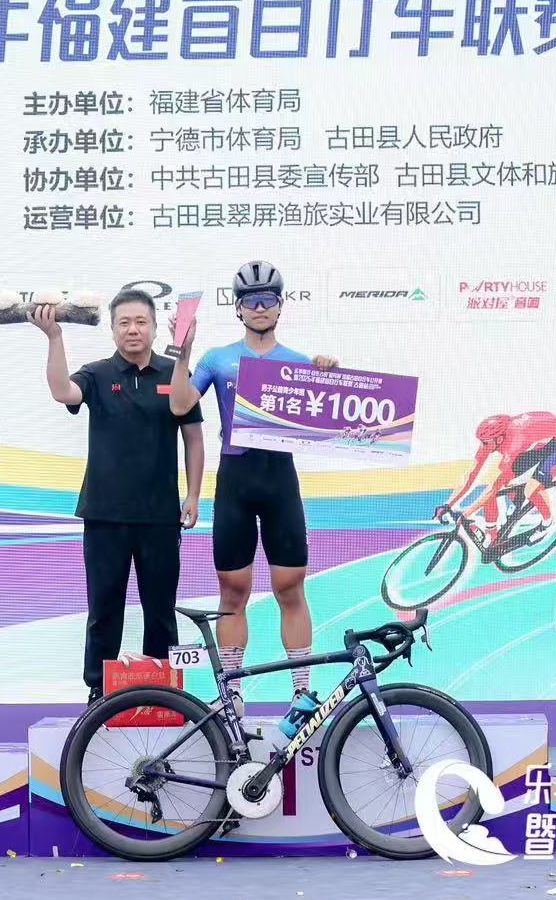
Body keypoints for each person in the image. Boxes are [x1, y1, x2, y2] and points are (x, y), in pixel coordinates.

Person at [170, 261, 338, 714]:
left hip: (280, 479)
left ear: (280, 306)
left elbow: (337, 416)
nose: (259, 307)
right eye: (250, 300)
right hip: (235, 481)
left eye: (268, 300)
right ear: (238, 308)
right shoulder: (217, 358)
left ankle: (301, 692)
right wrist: (183, 353)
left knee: (290, 587)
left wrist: (328, 375)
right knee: (232, 590)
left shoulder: (300, 363)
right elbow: (181, 405)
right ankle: (233, 694)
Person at [33, 288, 205, 704]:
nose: (133, 330)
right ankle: (99, 690)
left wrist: (193, 495)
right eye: (124, 322)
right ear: (112, 330)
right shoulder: (96, 374)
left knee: (160, 607)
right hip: (105, 514)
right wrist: (54, 338)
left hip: (160, 516)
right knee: (104, 607)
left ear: (154, 327)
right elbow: (63, 392)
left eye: (141, 322)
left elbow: (194, 439)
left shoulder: (174, 373)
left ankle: (163, 691)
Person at [440, 411, 556, 533]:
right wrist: (447, 504)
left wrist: (466, 513)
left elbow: (494, 487)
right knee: (499, 486)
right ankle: (494, 530)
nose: (483, 446)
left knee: (530, 490)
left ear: (499, 439)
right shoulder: (493, 439)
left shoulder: (514, 442)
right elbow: (471, 475)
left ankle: (547, 522)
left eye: (485, 443)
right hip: (537, 444)